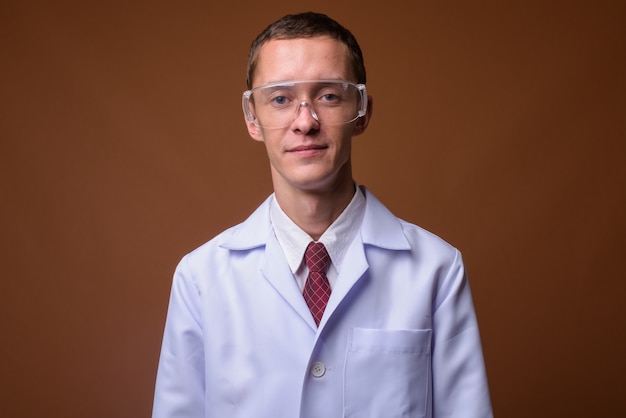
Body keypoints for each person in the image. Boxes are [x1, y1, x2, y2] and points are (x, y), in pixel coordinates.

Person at [152, 11, 492, 418]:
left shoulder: (436, 269)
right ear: (252, 117)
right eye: (280, 99)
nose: (305, 122)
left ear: (362, 111)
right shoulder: (200, 278)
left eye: (328, 95)